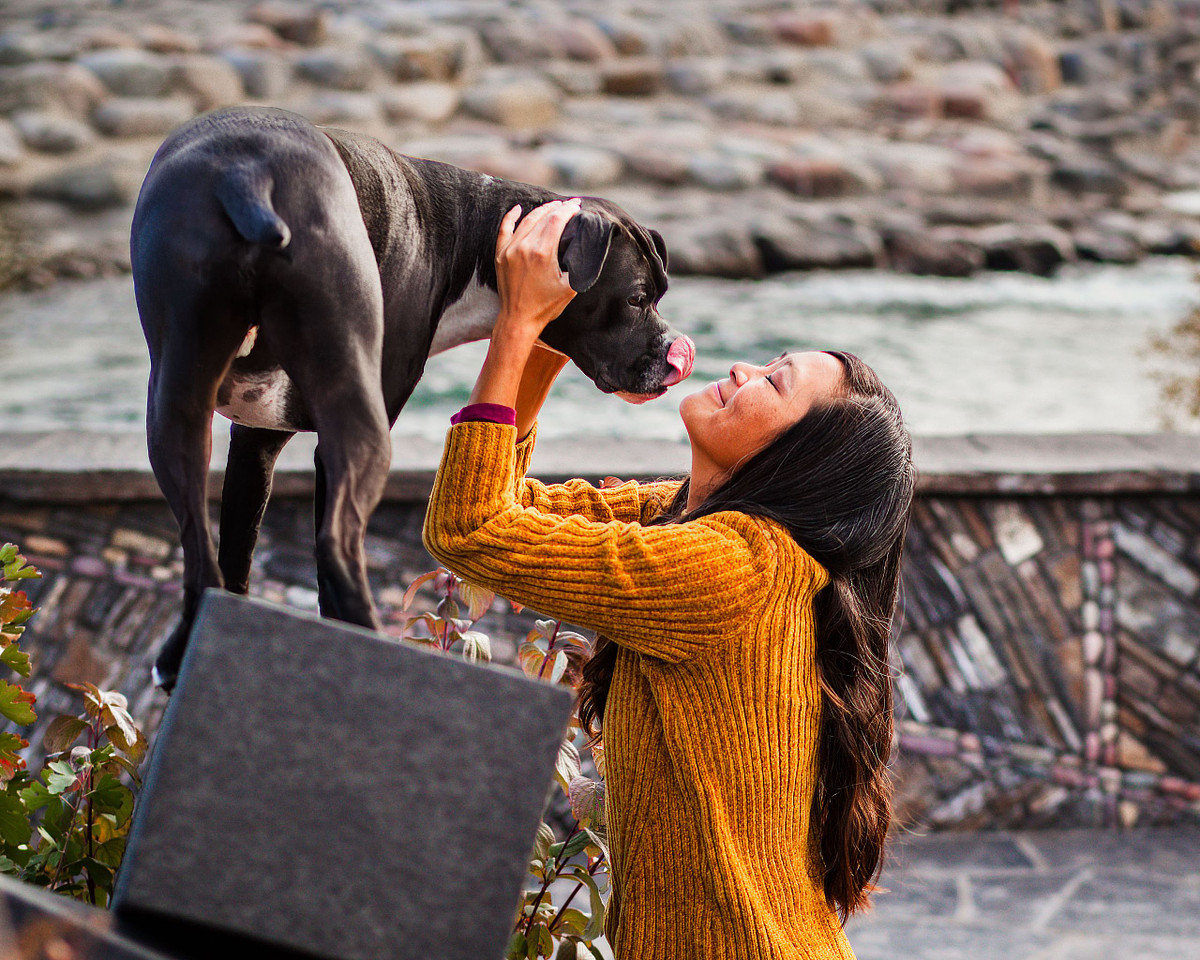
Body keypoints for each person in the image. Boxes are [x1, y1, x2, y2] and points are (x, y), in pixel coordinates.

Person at [423, 199, 915, 959]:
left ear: (797, 458)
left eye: (774, 382)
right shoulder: (686, 520)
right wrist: (564, 333)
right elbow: (505, 500)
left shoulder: (725, 570)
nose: (743, 369)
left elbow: (470, 528)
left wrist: (515, 328)